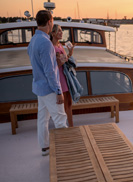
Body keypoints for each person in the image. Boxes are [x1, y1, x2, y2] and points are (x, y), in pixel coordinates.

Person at [27, 10, 68, 156]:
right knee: (60, 119)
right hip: (50, 89)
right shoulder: (46, 43)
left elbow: (37, 63)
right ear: (49, 22)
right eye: (53, 21)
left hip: (39, 88)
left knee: (42, 119)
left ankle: (45, 147)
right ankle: (64, 152)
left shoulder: (33, 40)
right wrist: (58, 91)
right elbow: (50, 71)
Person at [50, 24, 75, 127]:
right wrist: (63, 59)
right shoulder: (51, 47)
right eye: (58, 31)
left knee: (69, 102)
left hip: (65, 77)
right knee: (63, 106)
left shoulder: (60, 45)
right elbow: (56, 65)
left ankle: (71, 125)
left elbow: (65, 60)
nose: (61, 33)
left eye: (61, 31)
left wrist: (70, 53)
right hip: (59, 77)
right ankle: (64, 127)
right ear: (53, 33)